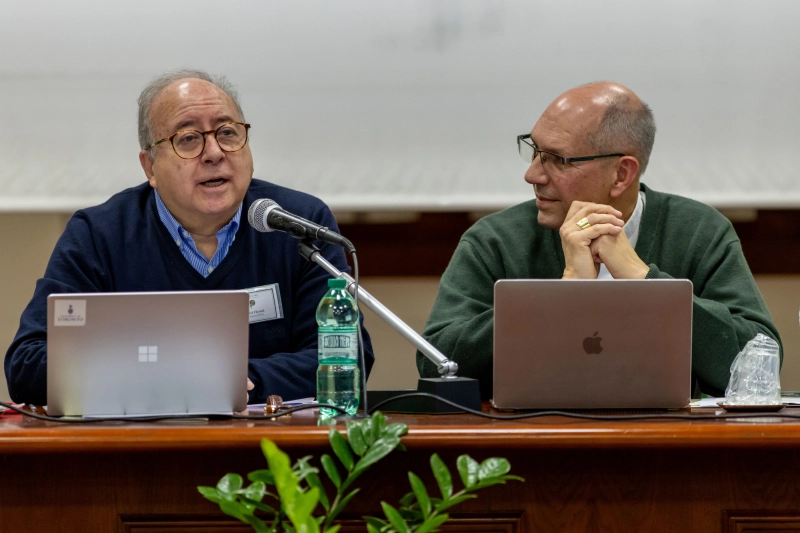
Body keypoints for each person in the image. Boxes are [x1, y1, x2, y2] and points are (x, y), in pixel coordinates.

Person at [5, 69, 373, 406]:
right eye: (189, 138)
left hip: (270, 451)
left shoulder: (299, 224)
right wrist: (170, 378)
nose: (214, 153)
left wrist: (239, 382)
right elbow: (27, 365)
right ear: (150, 166)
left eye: (228, 133)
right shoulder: (100, 234)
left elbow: (347, 354)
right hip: (138, 458)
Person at [417, 82, 781, 400]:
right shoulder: (495, 239)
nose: (531, 174)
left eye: (556, 159)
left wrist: (644, 281)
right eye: (533, 150)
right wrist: (564, 294)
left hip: (664, 452)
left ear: (622, 173)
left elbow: (760, 365)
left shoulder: (698, 231)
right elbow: (435, 362)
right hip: (528, 446)